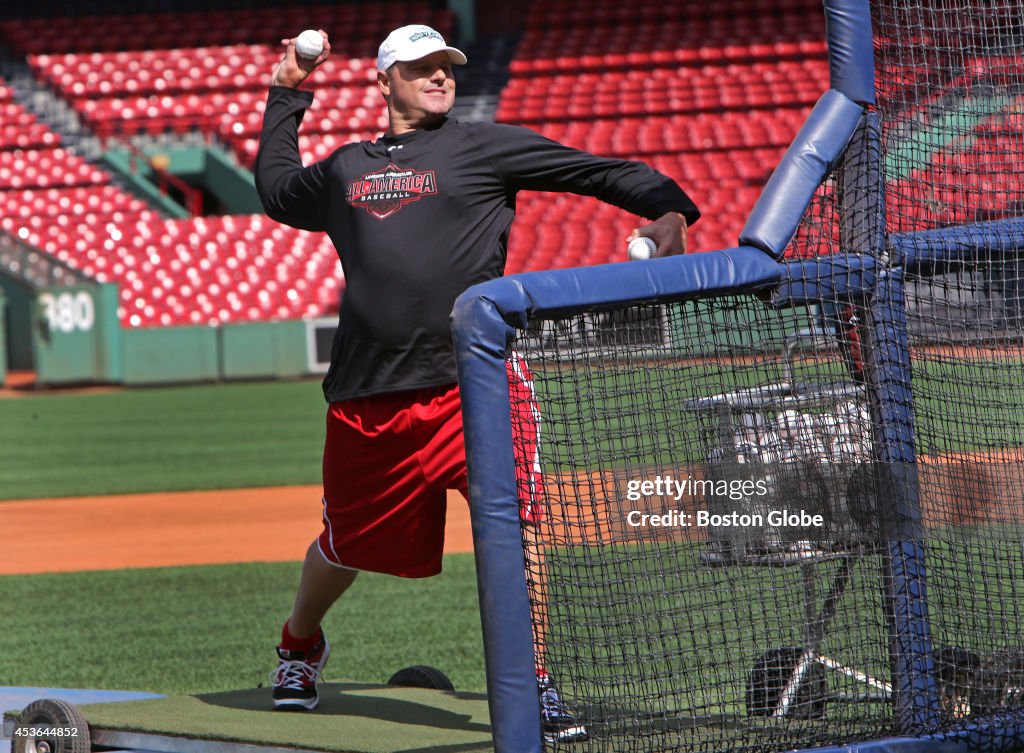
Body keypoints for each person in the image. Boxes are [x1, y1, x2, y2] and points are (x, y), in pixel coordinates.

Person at [254, 23, 700, 743]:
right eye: (423, 66)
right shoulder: (345, 169)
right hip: (371, 394)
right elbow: (277, 191)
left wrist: (670, 206)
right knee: (344, 544)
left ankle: (537, 683)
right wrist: (287, 94)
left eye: (447, 67)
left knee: (517, 527)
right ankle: (298, 644)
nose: (440, 76)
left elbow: (591, 169)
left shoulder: (481, 147)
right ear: (386, 79)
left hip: (477, 383)